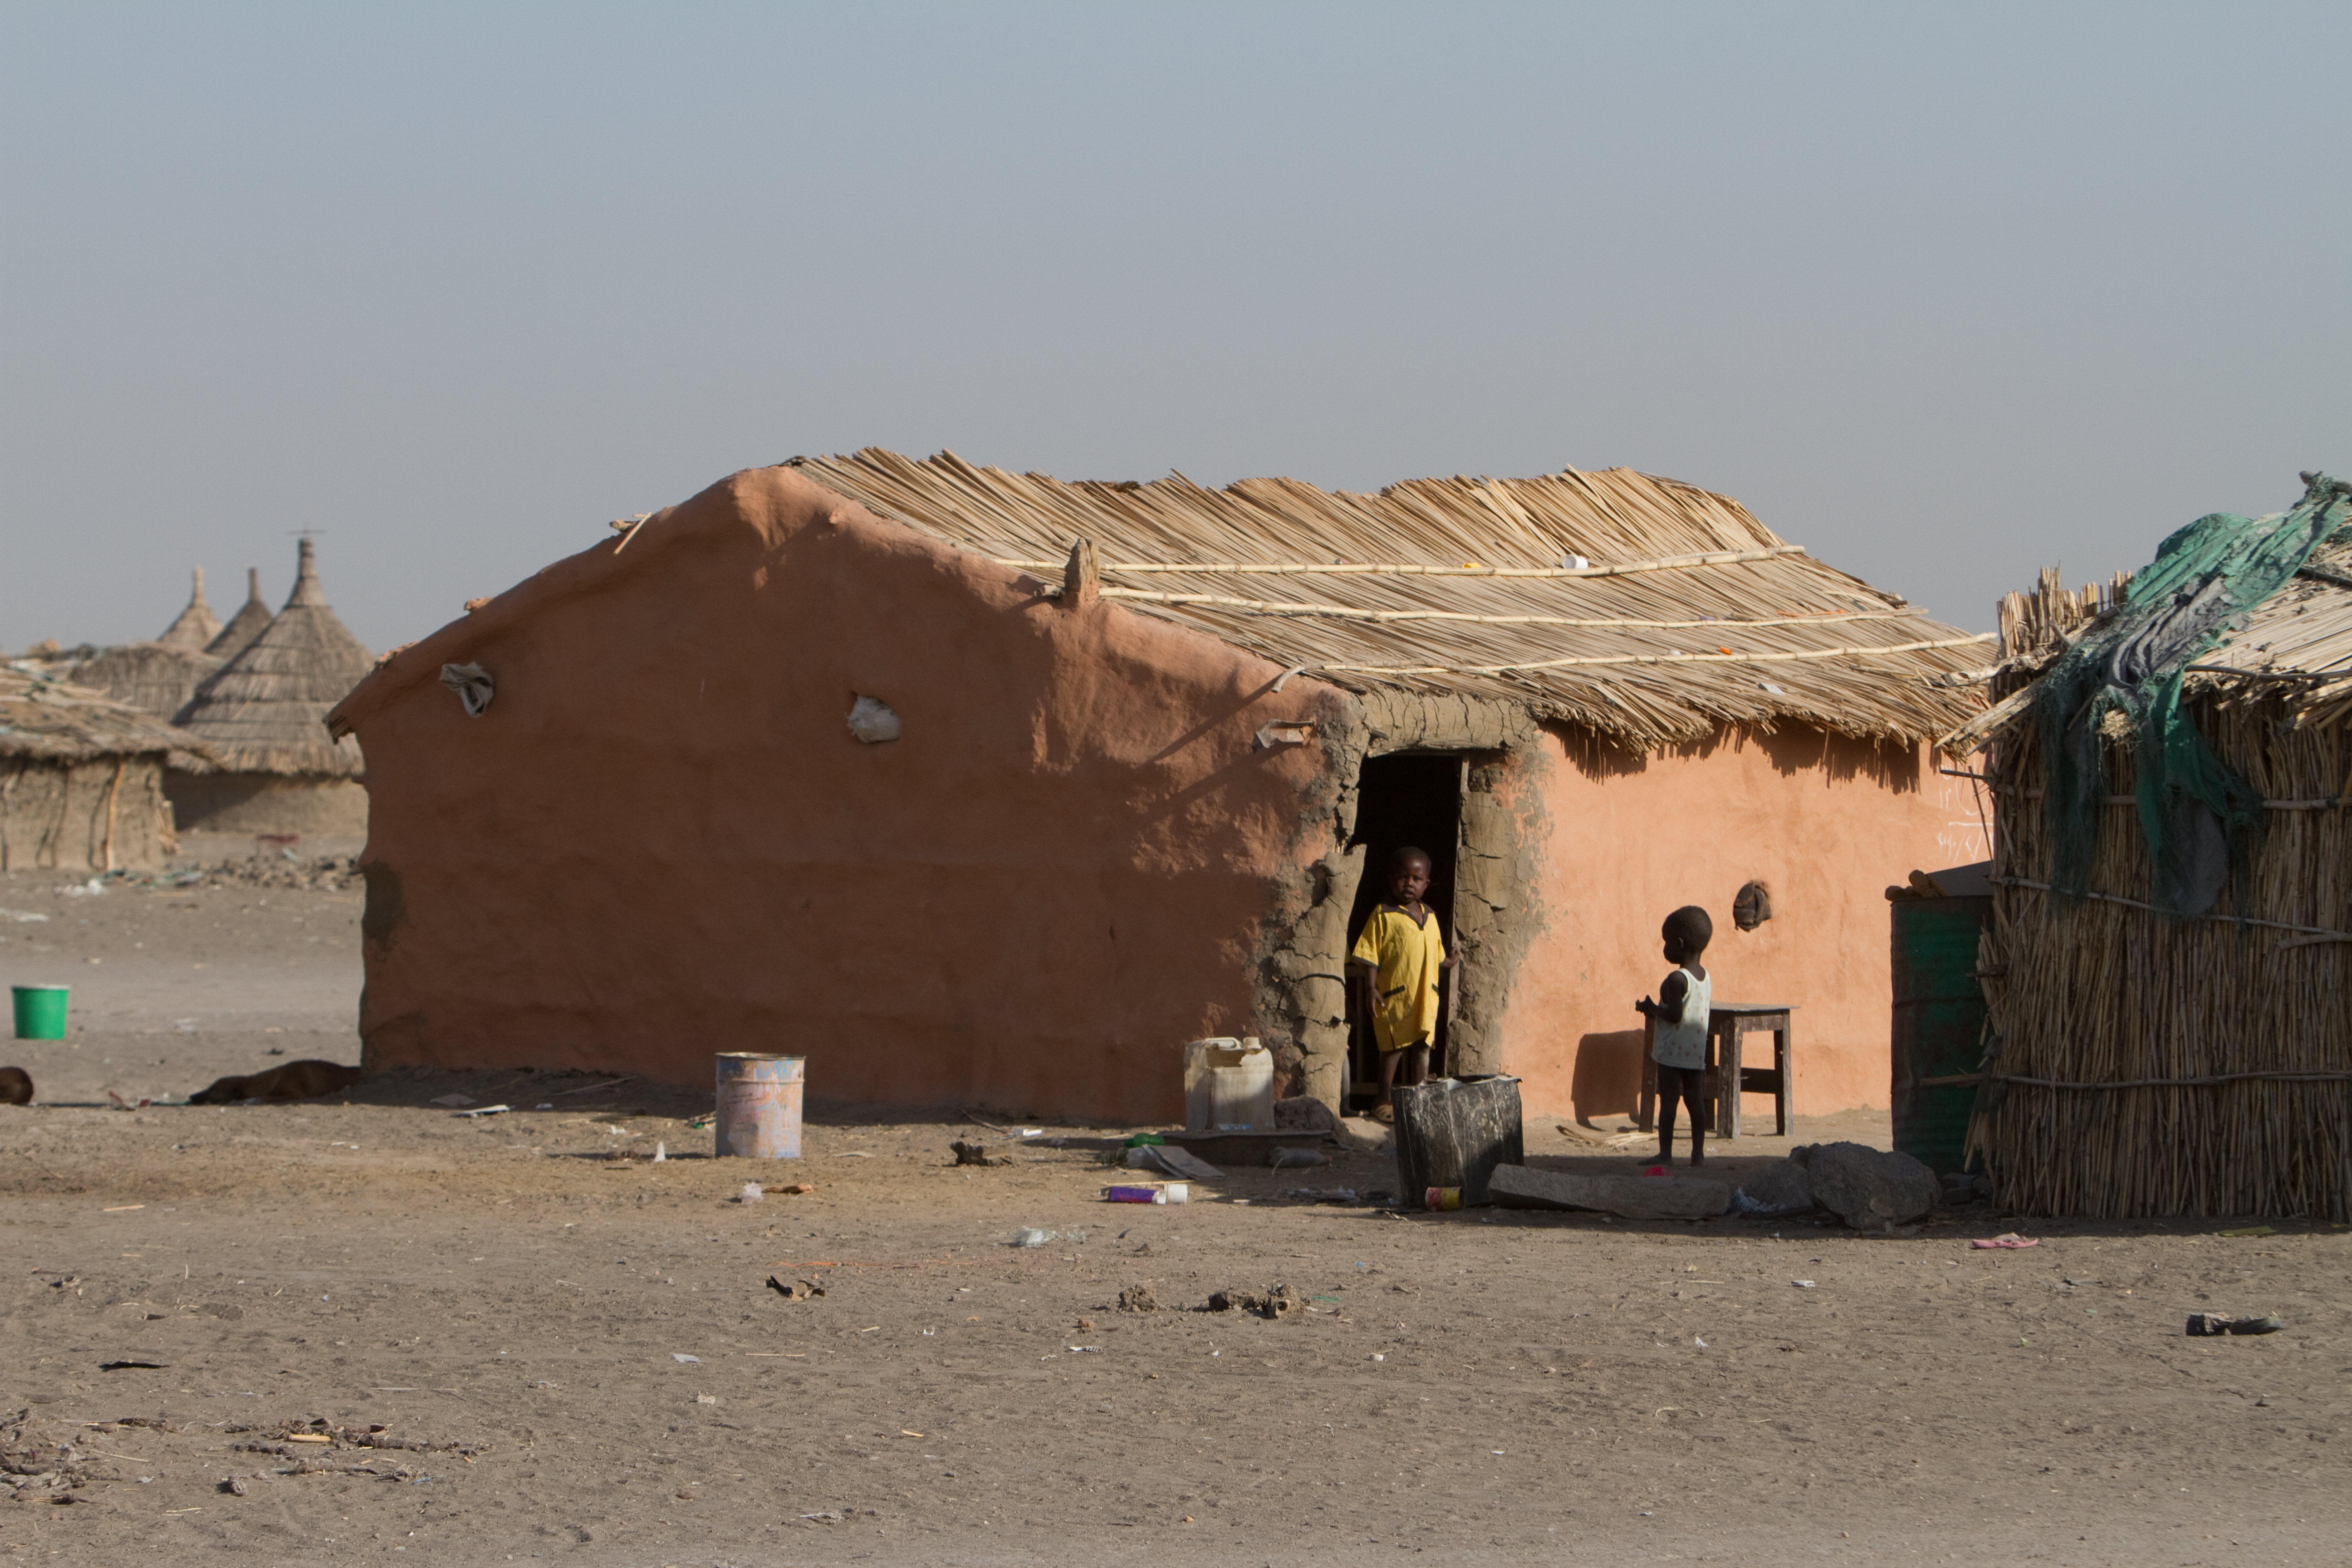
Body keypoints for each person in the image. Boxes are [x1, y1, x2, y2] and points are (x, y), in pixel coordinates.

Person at [1348, 846, 1460, 1123]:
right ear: (1390, 880)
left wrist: (1449, 962)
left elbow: (1434, 955)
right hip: (1395, 997)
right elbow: (1371, 955)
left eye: (1416, 879)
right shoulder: (1383, 915)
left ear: (1426, 884)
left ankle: (1420, 1099)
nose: (1409, 883)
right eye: (1402, 877)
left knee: (1422, 1046)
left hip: (1424, 998)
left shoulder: (1430, 916)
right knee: (1393, 1048)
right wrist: (1371, 988)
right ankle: (1382, 1100)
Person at [1634, 905, 1713, 1166]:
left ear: (1679, 944)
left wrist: (1651, 1009)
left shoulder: (1676, 979)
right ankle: (1698, 1155)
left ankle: (1666, 1154)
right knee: (1695, 1103)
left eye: (1667, 942)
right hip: (1694, 1052)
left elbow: (1674, 1015)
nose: (1665, 948)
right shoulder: (1705, 977)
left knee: (1669, 1103)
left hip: (1671, 1053)